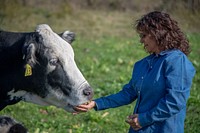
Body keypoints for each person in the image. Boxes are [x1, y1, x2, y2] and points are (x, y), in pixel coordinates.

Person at [74, 11, 196, 133]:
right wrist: (95, 103)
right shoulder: (142, 64)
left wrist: (143, 119)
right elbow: (128, 93)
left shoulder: (176, 60)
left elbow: (175, 102)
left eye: (143, 35)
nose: (141, 41)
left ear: (157, 33)